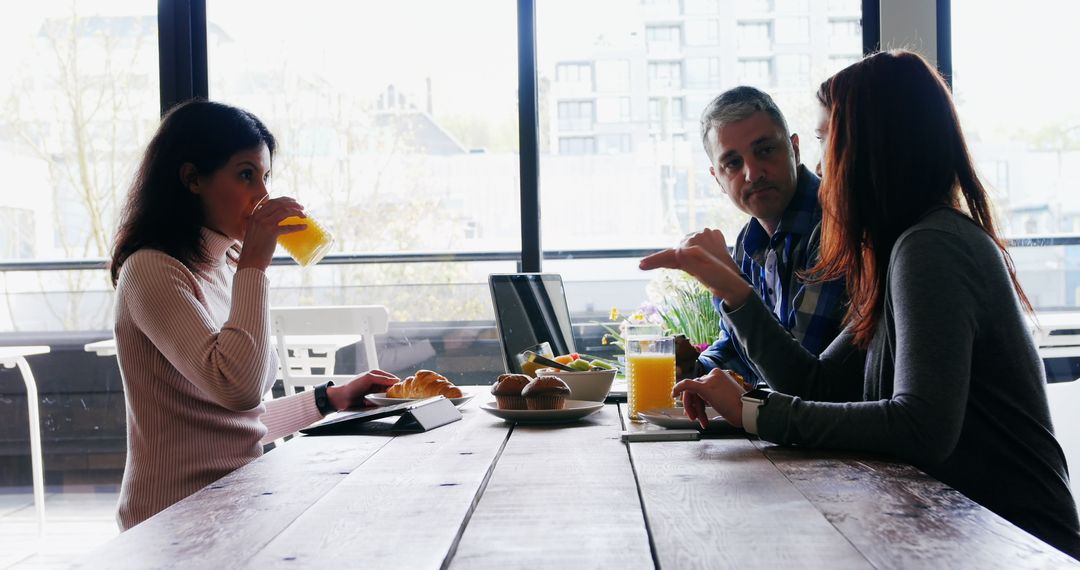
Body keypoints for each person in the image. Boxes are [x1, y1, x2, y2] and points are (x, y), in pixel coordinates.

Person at [641, 50, 1080, 559]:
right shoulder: (897, 249)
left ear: (873, 145)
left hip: (1012, 543)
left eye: (828, 139)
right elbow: (816, 385)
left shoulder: (931, 246)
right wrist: (735, 293)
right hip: (947, 528)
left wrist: (755, 412)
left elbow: (921, 428)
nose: (823, 164)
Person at [108, 100, 400, 530]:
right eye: (246, 175)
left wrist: (329, 399)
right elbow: (236, 388)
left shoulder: (224, 266)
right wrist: (255, 267)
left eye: (264, 177)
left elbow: (234, 423)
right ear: (192, 179)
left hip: (234, 500)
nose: (262, 195)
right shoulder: (152, 269)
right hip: (173, 519)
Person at [677, 86, 846, 384]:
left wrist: (728, 283)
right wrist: (693, 369)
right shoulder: (748, 239)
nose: (753, 173)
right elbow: (740, 349)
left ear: (794, 149)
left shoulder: (835, 226)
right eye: (733, 163)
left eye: (765, 150)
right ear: (717, 179)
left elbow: (797, 378)